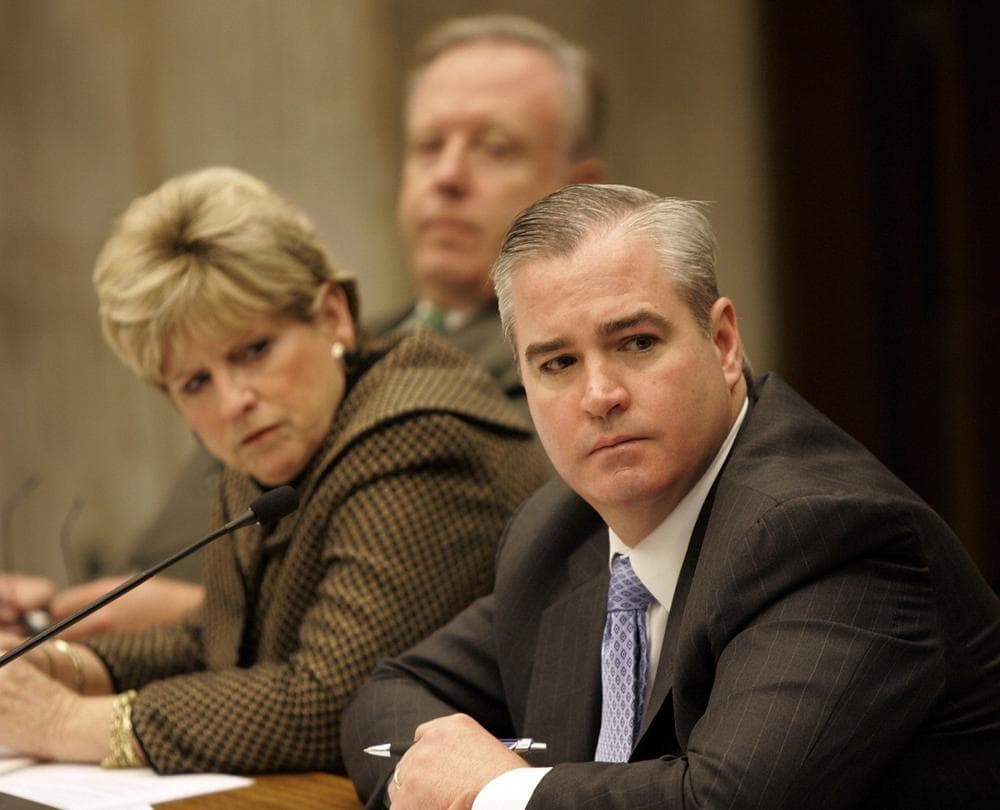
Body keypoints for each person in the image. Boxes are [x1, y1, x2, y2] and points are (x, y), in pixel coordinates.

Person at [340, 184, 1000, 809]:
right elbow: (389, 695)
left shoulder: (827, 533)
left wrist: (501, 794)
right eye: (558, 363)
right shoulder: (560, 532)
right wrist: (442, 781)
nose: (600, 396)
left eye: (636, 343)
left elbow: (721, 801)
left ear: (723, 343)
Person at [0, 13, 604, 637]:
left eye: (495, 148)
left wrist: (190, 620)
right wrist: (55, 612)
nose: (446, 176)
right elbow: (170, 553)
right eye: (428, 146)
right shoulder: (307, 348)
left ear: (580, 187)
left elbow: (441, 596)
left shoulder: (582, 368)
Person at [0, 166, 548, 774]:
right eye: (195, 382)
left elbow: (327, 705)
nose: (233, 401)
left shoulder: (417, 437)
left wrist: (64, 721)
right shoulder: (278, 443)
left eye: (254, 351)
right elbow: (225, 642)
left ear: (333, 316)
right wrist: (65, 665)